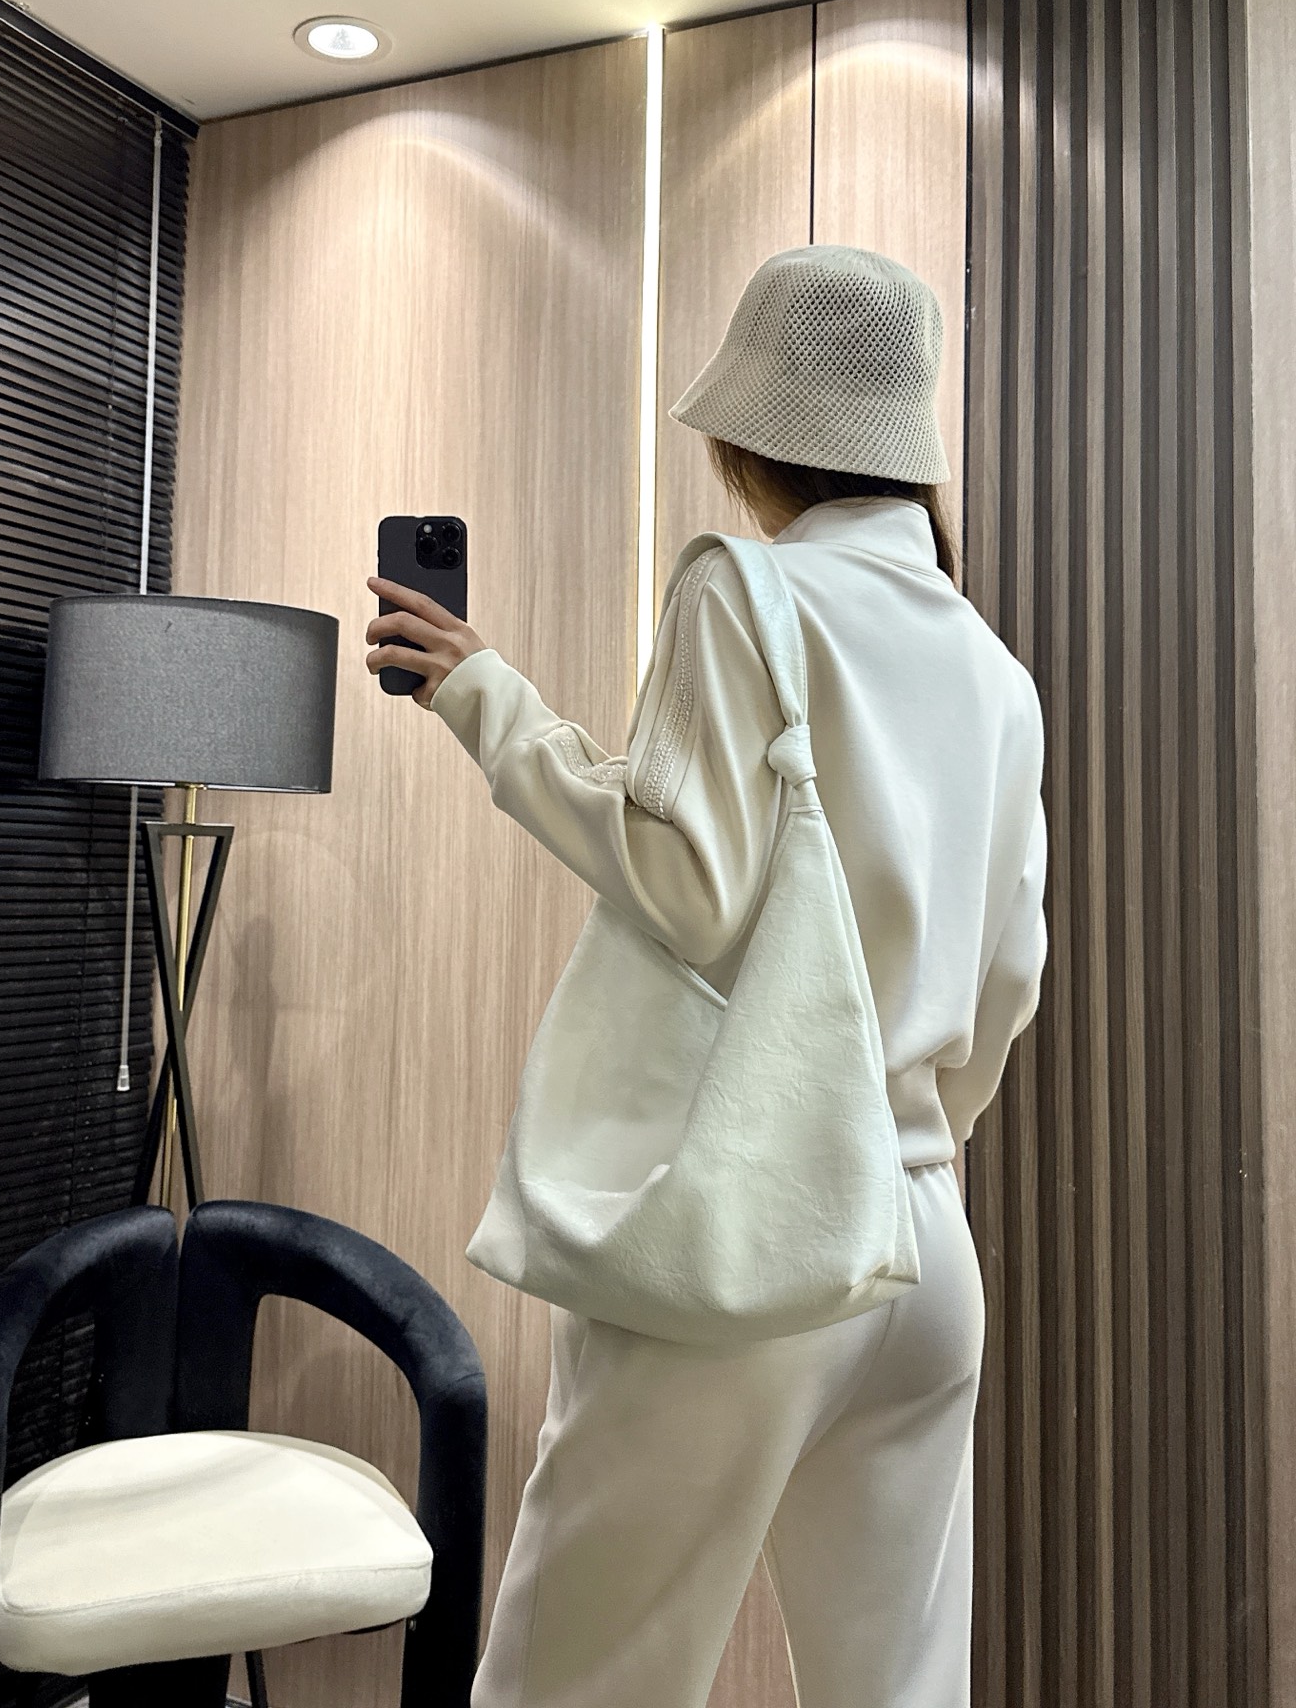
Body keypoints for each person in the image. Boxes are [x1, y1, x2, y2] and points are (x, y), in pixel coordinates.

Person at [365, 244, 1047, 1708]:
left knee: (575, 1684)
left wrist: (483, 695)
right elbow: (1010, 981)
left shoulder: (745, 588)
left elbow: (684, 876)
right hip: (926, 1251)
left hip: (755, 1253)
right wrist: (906, 1152)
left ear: (749, 433)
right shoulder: (998, 676)